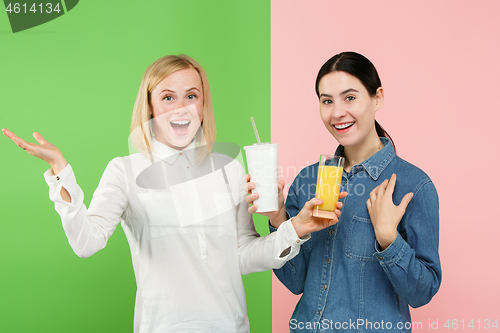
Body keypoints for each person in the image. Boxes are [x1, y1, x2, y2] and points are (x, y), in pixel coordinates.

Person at [2, 54, 343, 333]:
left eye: (191, 96)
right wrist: (61, 172)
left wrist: (295, 227)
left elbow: (241, 255)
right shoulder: (125, 171)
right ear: (150, 106)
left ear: (202, 105)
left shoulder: (229, 169)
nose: (181, 108)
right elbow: (86, 243)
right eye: (168, 97)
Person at [245, 52, 441, 332]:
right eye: (327, 101)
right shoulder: (308, 180)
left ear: (377, 98)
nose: (337, 112)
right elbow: (295, 282)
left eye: (350, 98)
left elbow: (422, 293)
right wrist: (279, 220)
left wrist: (388, 240)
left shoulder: (413, 185)